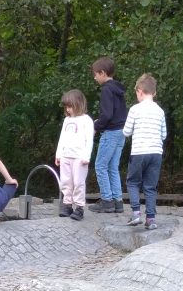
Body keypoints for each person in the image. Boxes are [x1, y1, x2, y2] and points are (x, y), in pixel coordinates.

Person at [123, 73, 167, 230]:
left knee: (133, 182)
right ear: (154, 93)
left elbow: (126, 132)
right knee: (150, 186)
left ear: (140, 91)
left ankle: (136, 214)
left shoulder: (135, 110)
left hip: (139, 152)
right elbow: (164, 135)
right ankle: (151, 219)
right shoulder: (160, 111)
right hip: (156, 153)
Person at [89, 57, 127, 213]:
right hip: (121, 133)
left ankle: (107, 201)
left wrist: (95, 125)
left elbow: (107, 115)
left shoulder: (106, 89)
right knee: (112, 167)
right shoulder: (118, 89)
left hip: (110, 133)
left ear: (102, 73)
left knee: (100, 166)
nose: (94, 77)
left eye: (95, 74)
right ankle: (118, 201)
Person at [55, 89, 95, 221]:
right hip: (66, 155)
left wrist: (86, 156)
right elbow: (62, 138)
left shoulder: (86, 120)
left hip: (79, 157)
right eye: (66, 107)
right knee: (66, 181)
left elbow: (89, 139)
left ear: (78, 104)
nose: (68, 109)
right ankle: (67, 205)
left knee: (78, 182)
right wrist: (59, 154)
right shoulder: (67, 120)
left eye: (70, 106)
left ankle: (79, 207)